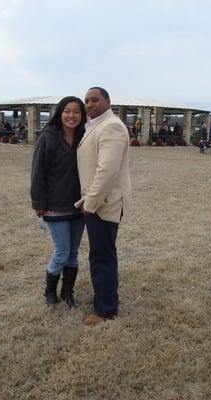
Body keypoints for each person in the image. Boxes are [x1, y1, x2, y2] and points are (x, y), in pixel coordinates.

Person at [75, 87, 131, 326]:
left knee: (102, 257)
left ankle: (106, 309)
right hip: (97, 202)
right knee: (103, 254)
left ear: (108, 101)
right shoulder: (97, 125)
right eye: (86, 100)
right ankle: (106, 299)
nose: (89, 104)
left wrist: (91, 202)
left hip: (102, 204)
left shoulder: (112, 126)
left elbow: (107, 171)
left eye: (95, 99)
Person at [30, 96, 87, 307]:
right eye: (67, 111)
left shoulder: (85, 137)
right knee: (62, 252)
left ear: (82, 116)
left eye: (76, 111)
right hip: (54, 205)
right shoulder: (48, 137)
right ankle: (50, 292)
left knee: (73, 254)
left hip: (79, 205)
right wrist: (38, 202)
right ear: (59, 113)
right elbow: (37, 172)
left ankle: (68, 292)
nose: (71, 116)